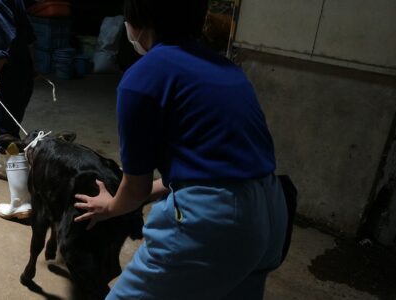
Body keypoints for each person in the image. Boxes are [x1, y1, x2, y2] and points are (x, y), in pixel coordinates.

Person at [73, 0, 289, 299]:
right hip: (270, 211)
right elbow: (214, 169)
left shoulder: (142, 78)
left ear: (138, 21)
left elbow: (135, 189)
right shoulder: (226, 69)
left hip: (214, 223)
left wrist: (110, 206)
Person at [0, 0, 36, 219]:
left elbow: (0, 31)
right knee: (4, 122)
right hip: (22, 67)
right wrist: (32, 65)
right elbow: (28, 32)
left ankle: (21, 204)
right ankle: (0, 164)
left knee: (6, 135)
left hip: (8, 71)